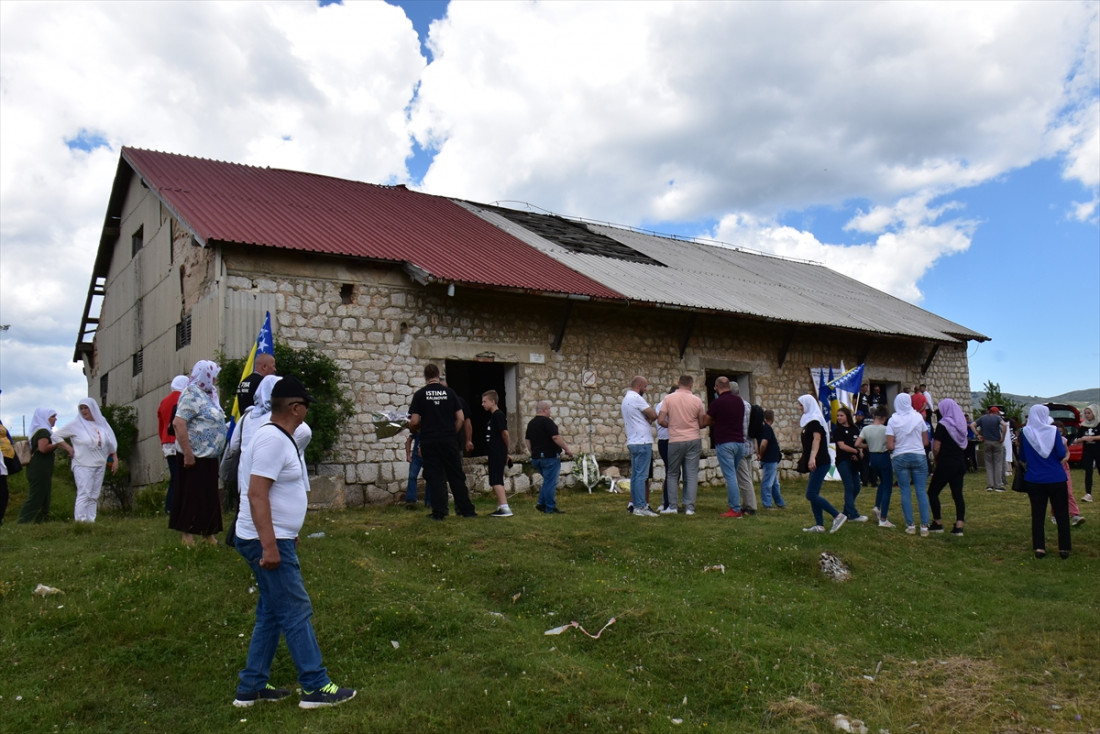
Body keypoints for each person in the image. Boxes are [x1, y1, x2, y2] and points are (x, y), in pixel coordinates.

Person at [233, 375, 356, 709]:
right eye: (305, 406)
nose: (306, 412)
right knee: (296, 609)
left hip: (275, 536)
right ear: (296, 408)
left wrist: (287, 529)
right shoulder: (273, 440)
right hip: (266, 541)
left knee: (272, 613)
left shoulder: (278, 437)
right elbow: (257, 494)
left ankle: (252, 686)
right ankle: (315, 687)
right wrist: (270, 545)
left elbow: (275, 492)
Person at [409, 364, 476, 521]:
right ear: (438, 374)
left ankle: (439, 512)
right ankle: (466, 510)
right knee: (456, 475)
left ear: (424, 376)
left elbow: (414, 421)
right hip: (448, 440)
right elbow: (460, 418)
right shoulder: (450, 393)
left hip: (429, 441)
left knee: (435, 477)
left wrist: (414, 429)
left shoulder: (420, 394)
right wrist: (452, 432)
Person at [170, 360, 226, 545]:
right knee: (191, 495)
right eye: (213, 374)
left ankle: (208, 533)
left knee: (208, 496)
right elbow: (179, 423)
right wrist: (188, 453)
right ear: (205, 375)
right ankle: (187, 535)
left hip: (209, 456)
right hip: (194, 455)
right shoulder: (192, 393)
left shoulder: (210, 395)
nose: (216, 378)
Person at [51, 398, 119, 523]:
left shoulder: (102, 423)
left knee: (94, 495)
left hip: (100, 463)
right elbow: (56, 435)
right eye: (81, 408)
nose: (83, 411)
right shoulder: (76, 424)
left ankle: (90, 521)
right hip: (82, 463)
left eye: (86, 408)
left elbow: (111, 443)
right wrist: (69, 448)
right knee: (84, 493)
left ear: (93, 408)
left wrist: (114, 459)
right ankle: (81, 522)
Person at [1019, 404, 1071, 559]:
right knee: (1061, 513)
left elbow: (1022, 456)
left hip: (1034, 479)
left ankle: (1039, 547)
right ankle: (1064, 548)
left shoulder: (1025, 433)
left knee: (1038, 514)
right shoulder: (1053, 431)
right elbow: (1061, 453)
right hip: (1056, 477)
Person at [657, 375, 706, 516]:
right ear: (691, 385)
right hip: (693, 438)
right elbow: (702, 422)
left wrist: (671, 425)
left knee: (672, 473)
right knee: (690, 474)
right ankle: (689, 507)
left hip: (675, 439)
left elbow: (660, 420)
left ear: (678, 383)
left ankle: (672, 506)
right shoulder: (697, 400)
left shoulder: (669, 399)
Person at [797, 395, 846, 534]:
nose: (799, 408)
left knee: (811, 494)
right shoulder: (809, 421)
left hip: (820, 461)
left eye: (801, 405)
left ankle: (837, 515)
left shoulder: (814, 421)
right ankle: (819, 525)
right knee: (814, 493)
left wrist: (812, 458)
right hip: (816, 461)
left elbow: (817, 439)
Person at [886, 393, 931, 536]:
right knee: (921, 491)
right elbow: (926, 442)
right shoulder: (918, 417)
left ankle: (910, 525)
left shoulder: (893, 420)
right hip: (918, 455)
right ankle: (924, 526)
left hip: (900, 456)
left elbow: (890, 445)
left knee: (905, 490)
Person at [704, 376, 747, 518]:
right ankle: (734, 505)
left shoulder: (718, 402)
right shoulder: (739, 401)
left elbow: (707, 420)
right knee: (733, 475)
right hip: (740, 442)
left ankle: (735, 509)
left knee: (730, 477)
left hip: (725, 442)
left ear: (717, 386)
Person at [18, 408, 70, 523]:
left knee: (44, 496)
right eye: (52, 416)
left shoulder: (39, 431)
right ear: (44, 418)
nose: (55, 419)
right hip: (39, 468)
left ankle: (41, 521)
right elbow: (43, 448)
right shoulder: (43, 432)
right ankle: (22, 521)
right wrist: (58, 443)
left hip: (40, 468)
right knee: (36, 496)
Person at [927, 398, 968, 536]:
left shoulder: (943, 424)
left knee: (933, 492)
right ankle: (959, 526)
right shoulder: (961, 425)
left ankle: (937, 522)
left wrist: (936, 459)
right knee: (957, 494)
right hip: (959, 463)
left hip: (946, 463)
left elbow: (937, 447)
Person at [525, 400, 573, 514]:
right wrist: (566, 449)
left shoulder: (531, 423)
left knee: (547, 481)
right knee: (551, 482)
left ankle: (541, 503)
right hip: (549, 457)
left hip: (536, 458)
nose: (550, 412)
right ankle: (550, 507)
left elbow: (527, 440)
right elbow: (555, 437)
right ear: (545, 410)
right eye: (549, 409)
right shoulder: (547, 422)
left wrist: (533, 452)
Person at [621, 375, 658, 517]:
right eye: (645, 386)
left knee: (636, 476)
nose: (646, 389)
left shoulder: (626, 399)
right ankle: (641, 506)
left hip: (633, 440)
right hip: (642, 441)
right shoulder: (637, 398)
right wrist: (649, 417)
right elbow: (653, 414)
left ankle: (635, 504)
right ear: (639, 385)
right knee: (642, 476)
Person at [857, 407, 895, 528]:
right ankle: (883, 518)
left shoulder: (866, 428)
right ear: (884, 418)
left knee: (882, 482)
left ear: (874, 416)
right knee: (888, 485)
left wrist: (867, 446)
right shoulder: (886, 429)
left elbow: (857, 444)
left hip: (872, 457)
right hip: (883, 456)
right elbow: (891, 444)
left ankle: (877, 506)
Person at [158, 375, 189, 514]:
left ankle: (171, 506)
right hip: (179, 440)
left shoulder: (164, 401)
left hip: (166, 441)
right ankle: (175, 506)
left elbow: (161, 425)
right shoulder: (183, 399)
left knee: (174, 476)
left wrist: (162, 442)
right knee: (182, 477)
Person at [482, 390, 513, 517]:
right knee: (494, 479)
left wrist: (506, 451)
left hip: (498, 452)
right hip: (494, 452)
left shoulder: (498, 415)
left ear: (493, 401)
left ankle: (505, 507)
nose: (482, 404)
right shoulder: (493, 416)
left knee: (496, 479)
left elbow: (505, 433)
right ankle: (500, 506)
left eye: (485, 401)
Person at [832, 406, 866, 522]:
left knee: (857, 486)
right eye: (838, 416)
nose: (839, 418)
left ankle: (846, 512)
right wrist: (855, 451)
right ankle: (853, 514)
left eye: (841, 415)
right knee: (849, 486)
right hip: (843, 461)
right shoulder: (838, 430)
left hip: (854, 461)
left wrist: (861, 451)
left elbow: (858, 443)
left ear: (847, 416)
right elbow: (842, 446)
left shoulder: (854, 428)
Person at [973, 406, 1007, 492]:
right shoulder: (997, 418)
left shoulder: (983, 418)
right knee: (998, 463)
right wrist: (1003, 437)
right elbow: (1004, 425)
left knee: (988, 464)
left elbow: (972, 425)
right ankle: (998, 485)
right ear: (996, 412)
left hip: (986, 441)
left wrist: (978, 435)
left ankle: (990, 485)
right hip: (997, 442)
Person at [757, 409, 785, 509]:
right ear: (772, 418)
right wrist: (761, 454)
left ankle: (780, 502)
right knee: (768, 482)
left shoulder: (763, 428)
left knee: (774, 483)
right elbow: (763, 444)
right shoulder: (767, 428)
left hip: (772, 459)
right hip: (770, 459)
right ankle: (767, 504)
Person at [1074, 403, 1099, 502]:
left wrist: (1092, 438)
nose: (1087, 415)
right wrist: (1082, 439)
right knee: (1088, 472)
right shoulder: (1083, 426)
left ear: (1094, 413)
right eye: (1086, 413)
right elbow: (1076, 439)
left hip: (1098, 450)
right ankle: (1088, 494)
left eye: (1089, 413)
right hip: (1088, 451)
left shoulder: (1099, 423)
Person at [404, 429, 425, 508]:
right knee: (412, 476)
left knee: (430, 478)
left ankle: (430, 501)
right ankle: (411, 501)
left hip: (429, 455)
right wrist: (408, 455)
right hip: (416, 456)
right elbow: (409, 440)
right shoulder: (417, 428)